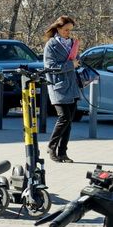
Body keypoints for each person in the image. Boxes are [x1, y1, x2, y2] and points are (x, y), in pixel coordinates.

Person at [43, 14, 82, 163]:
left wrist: (78, 62)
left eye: (70, 30)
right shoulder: (51, 45)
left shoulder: (72, 43)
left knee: (69, 120)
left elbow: (75, 61)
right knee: (64, 117)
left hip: (72, 85)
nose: (68, 33)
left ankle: (63, 152)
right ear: (58, 28)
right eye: (66, 30)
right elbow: (50, 67)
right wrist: (70, 65)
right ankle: (52, 147)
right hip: (57, 86)